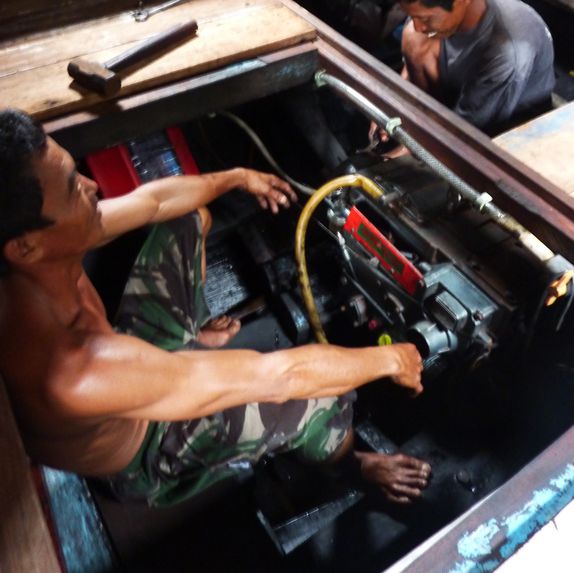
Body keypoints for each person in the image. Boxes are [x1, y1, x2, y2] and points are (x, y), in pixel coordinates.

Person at [0, 109, 430, 508]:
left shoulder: (42, 254)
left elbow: (155, 202)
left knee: (187, 217)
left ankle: (187, 342)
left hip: (130, 364)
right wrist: (391, 357)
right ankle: (353, 465)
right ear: (25, 246)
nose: (92, 187)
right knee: (320, 398)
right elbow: (277, 378)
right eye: (73, 188)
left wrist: (239, 176)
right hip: (149, 445)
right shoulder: (72, 375)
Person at [370, 0, 555, 148]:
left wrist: (404, 154)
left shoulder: (509, 52)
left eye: (426, 19)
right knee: (412, 37)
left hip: (509, 123)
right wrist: (394, 108)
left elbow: (465, 136)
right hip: (462, 93)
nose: (418, 26)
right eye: (414, 16)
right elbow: (411, 69)